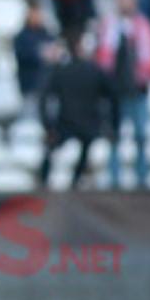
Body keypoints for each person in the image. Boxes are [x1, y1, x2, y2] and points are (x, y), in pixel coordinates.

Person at [95, 0, 150, 189]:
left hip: (138, 90)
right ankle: (114, 179)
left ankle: (142, 178)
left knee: (141, 136)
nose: (125, 3)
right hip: (115, 91)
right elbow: (102, 59)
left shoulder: (143, 26)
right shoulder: (109, 26)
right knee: (114, 137)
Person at [38, 32, 119, 188]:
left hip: (69, 125)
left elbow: (44, 99)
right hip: (85, 126)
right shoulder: (94, 71)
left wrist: (48, 126)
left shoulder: (62, 71)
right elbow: (113, 97)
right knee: (82, 151)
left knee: (56, 151)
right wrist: (113, 125)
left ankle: (44, 182)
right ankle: (67, 182)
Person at [13, 0, 56, 116]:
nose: (37, 16)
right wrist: (40, 54)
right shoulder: (22, 36)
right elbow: (22, 55)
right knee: (31, 122)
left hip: (48, 88)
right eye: (34, 13)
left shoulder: (47, 34)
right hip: (31, 87)